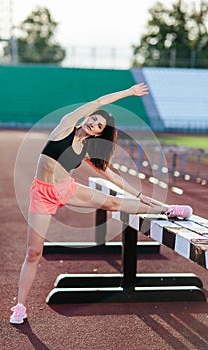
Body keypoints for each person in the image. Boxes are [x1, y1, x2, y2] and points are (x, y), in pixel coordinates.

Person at [10, 83, 192, 324]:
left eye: (98, 126)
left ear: (98, 134)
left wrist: (141, 196)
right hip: (42, 194)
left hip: (67, 190)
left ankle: (166, 209)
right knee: (33, 253)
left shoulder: (86, 150)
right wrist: (128, 92)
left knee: (115, 203)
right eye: (93, 119)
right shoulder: (65, 126)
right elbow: (98, 102)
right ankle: (20, 306)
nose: (93, 123)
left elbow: (113, 176)